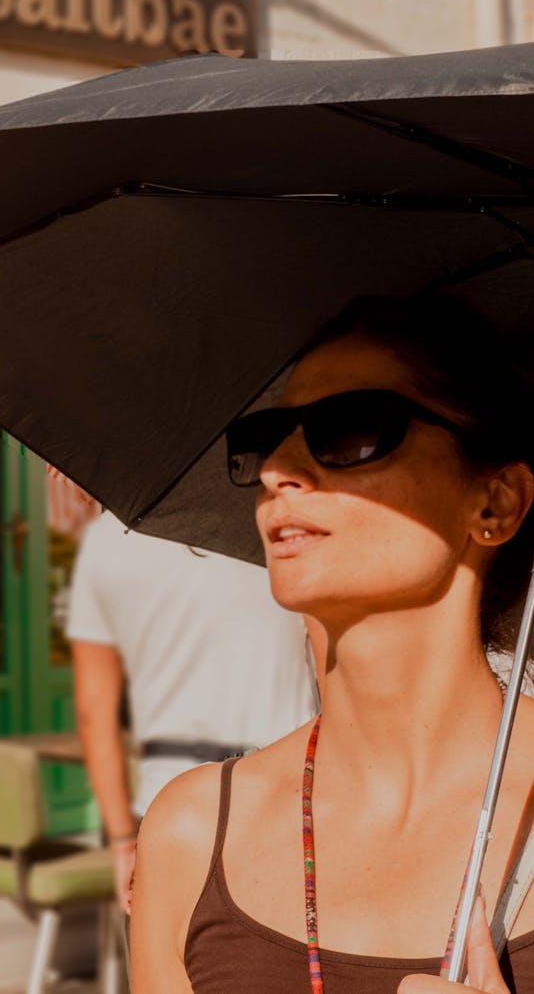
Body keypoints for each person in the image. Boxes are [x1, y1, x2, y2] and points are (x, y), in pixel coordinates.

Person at [130, 294, 534, 994]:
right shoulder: (191, 836)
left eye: (349, 430)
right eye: (269, 435)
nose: (278, 468)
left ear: (494, 503)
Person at [67, 510, 318, 913]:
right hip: (286, 802)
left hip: (168, 806)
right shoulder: (280, 532)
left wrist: (121, 841)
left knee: (170, 969)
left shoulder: (103, 543)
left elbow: (93, 711)